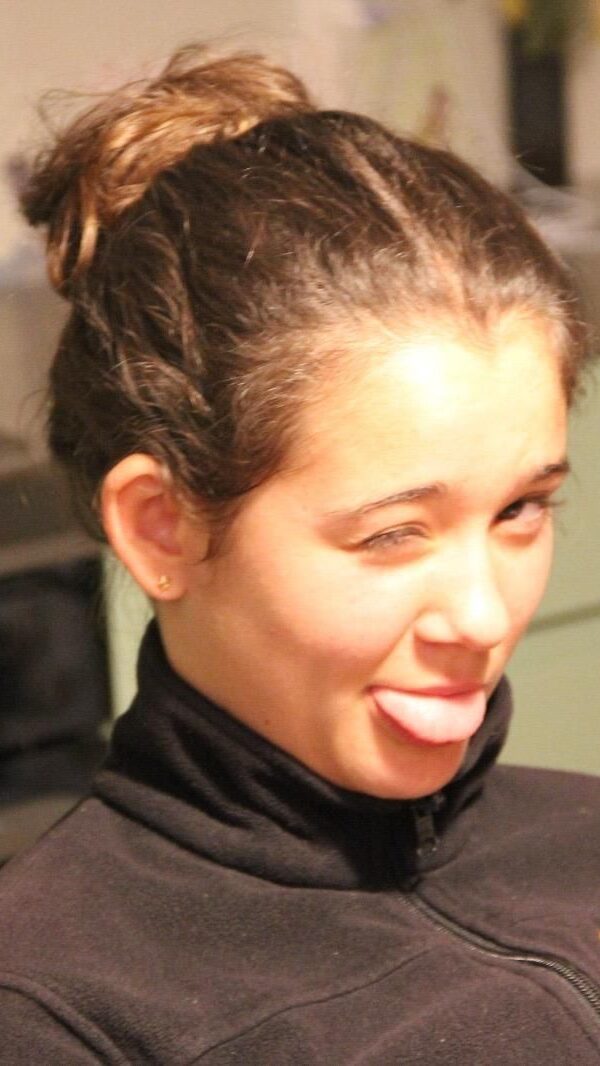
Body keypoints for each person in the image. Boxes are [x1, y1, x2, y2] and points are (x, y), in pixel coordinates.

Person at [0, 43, 598, 1065]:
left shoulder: (582, 831)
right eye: (393, 533)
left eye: (520, 510)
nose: (484, 615)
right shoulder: (55, 1010)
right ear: (161, 526)